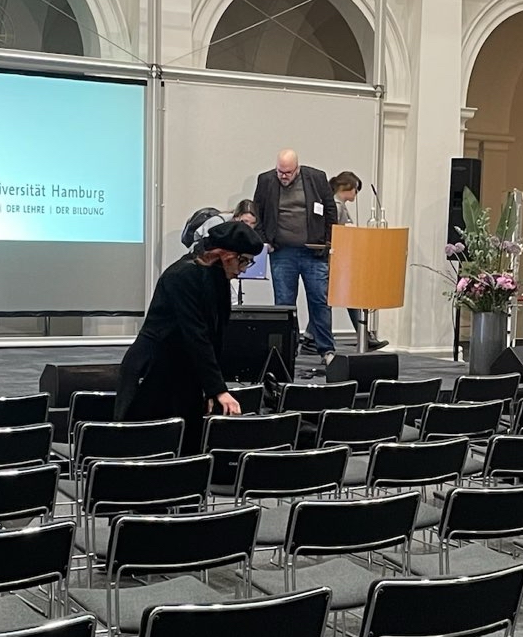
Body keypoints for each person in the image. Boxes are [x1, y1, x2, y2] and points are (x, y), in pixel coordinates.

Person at [115, 219, 263, 433]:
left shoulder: (218, 279)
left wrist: (211, 388)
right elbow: (196, 334)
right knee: (146, 443)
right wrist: (217, 389)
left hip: (183, 370)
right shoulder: (183, 276)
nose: (243, 269)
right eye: (244, 261)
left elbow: (214, 337)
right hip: (152, 372)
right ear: (226, 255)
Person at [252, 149, 336, 363]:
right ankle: (287, 351)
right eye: (280, 171)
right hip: (281, 252)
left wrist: (328, 241)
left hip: (314, 252)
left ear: (297, 169)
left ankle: (327, 351)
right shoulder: (265, 180)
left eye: (288, 172)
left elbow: (330, 210)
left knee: (320, 300)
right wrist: (264, 241)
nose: (283, 176)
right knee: (284, 304)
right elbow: (257, 213)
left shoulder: (317, 178)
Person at [329, 170, 388, 351]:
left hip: (339, 259)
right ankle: (364, 335)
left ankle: (309, 337)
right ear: (350, 188)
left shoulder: (339, 205)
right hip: (337, 259)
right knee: (344, 297)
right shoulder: (337, 206)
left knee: (331, 299)